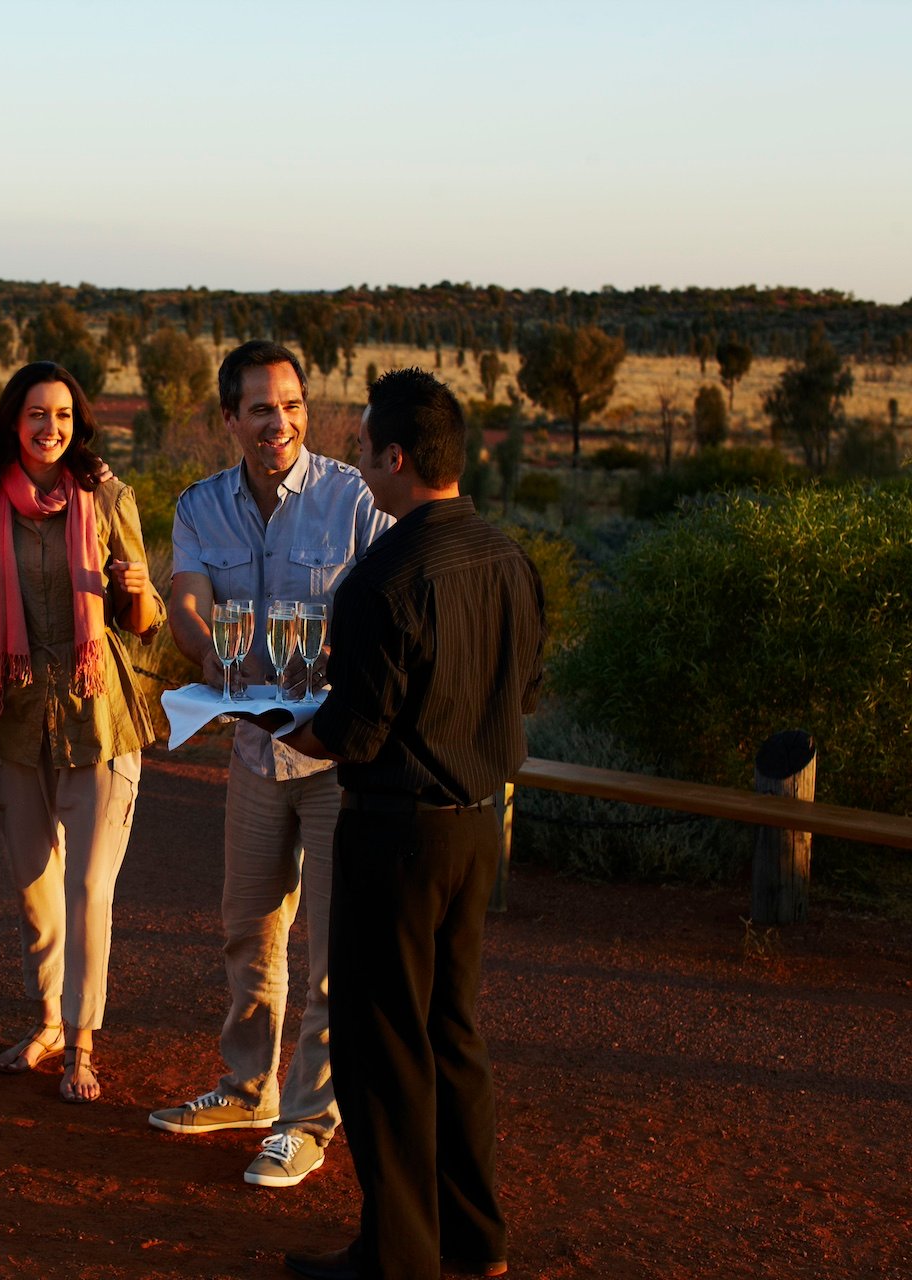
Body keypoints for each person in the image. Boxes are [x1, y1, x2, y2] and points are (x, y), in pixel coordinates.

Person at [280, 369, 545, 1280]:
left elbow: (351, 732)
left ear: (395, 459)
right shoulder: (512, 558)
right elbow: (526, 691)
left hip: (394, 834)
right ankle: (475, 1240)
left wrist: (281, 724)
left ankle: (398, 1259)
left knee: (383, 1044)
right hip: (479, 829)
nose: (358, 466)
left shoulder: (381, 580)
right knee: (453, 1035)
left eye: (362, 451)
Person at [148, 341, 391, 1188]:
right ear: (230, 419)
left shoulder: (356, 499)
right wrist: (205, 647)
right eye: (260, 408)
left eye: (291, 405)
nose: (279, 422)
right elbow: (186, 597)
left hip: (334, 756)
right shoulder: (200, 505)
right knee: (248, 928)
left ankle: (306, 1120)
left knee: (329, 947)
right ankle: (245, 1087)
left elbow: (395, 602)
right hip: (253, 747)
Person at [0, 362, 163, 1104]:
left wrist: (138, 591)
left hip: (98, 712)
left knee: (88, 886)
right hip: (15, 714)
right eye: (34, 415)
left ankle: (82, 1042)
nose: (48, 428)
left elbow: (142, 624)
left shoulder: (109, 497)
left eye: (60, 415)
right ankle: (47, 1019)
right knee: (35, 888)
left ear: (76, 423)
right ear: (13, 422)